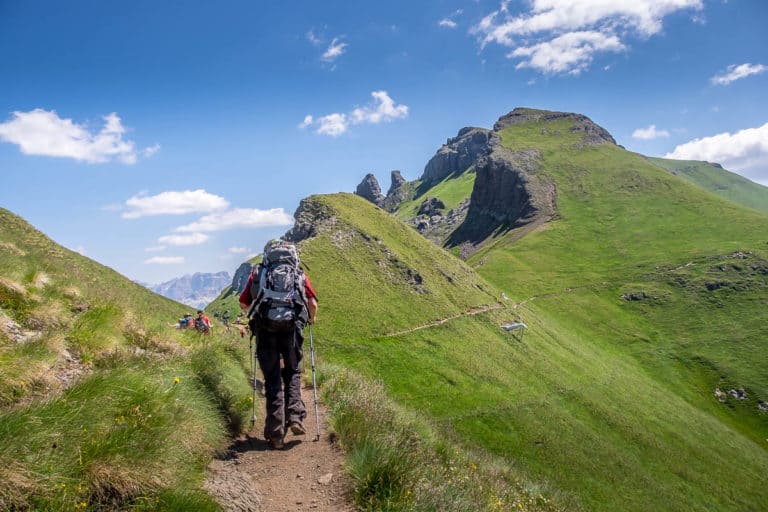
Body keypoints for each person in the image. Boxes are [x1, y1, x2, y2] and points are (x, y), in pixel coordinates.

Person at [239, 239, 317, 450]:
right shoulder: (299, 274)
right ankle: (295, 417)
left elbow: (243, 303)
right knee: (292, 372)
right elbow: (312, 303)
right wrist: (311, 319)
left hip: (265, 330)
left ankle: (275, 434)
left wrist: (256, 316)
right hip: (292, 329)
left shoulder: (258, 274)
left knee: (273, 379)